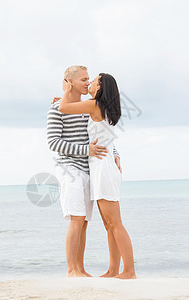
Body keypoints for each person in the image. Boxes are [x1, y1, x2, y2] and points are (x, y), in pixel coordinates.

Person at [59, 71, 136, 279]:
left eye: (93, 81)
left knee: (114, 223)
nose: (90, 82)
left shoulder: (94, 106)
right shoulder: (98, 106)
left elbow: (64, 109)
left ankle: (129, 270)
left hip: (102, 169)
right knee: (109, 224)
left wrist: (66, 91)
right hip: (102, 166)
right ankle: (113, 270)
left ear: (100, 87)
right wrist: (65, 97)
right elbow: (71, 107)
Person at [46, 65, 121, 277]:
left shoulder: (87, 107)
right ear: (70, 82)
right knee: (76, 219)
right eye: (83, 79)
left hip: (89, 169)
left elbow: (101, 134)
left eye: (89, 79)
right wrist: (85, 150)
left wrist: (116, 154)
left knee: (84, 222)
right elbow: (53, 142)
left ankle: (80, 268)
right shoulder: (56, 108)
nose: (88, 82)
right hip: (69, 169)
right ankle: (72, 270)